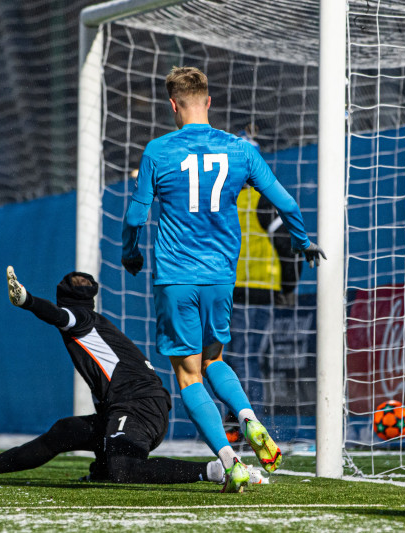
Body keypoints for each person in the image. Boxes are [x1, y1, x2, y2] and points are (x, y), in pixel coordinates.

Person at [121, 66, 325, 493]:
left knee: (188, 374)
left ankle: (230, 460)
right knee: (214, 359)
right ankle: (248, 417)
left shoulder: (158, 151)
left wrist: (131, 252)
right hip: (219, 278)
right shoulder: (239, 150)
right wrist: (304, 242)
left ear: (172, 105)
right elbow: (285, 201)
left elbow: (135, 215)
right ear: (208, 101)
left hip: (176, 278)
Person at [0, 266, 266, 490]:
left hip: (138, 406)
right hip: (129, 406)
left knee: (125, 468)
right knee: (66, 431)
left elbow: (59, 316)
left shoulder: (80, 319)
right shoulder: (95, 322)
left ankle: (219, 470)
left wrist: (27, 301)